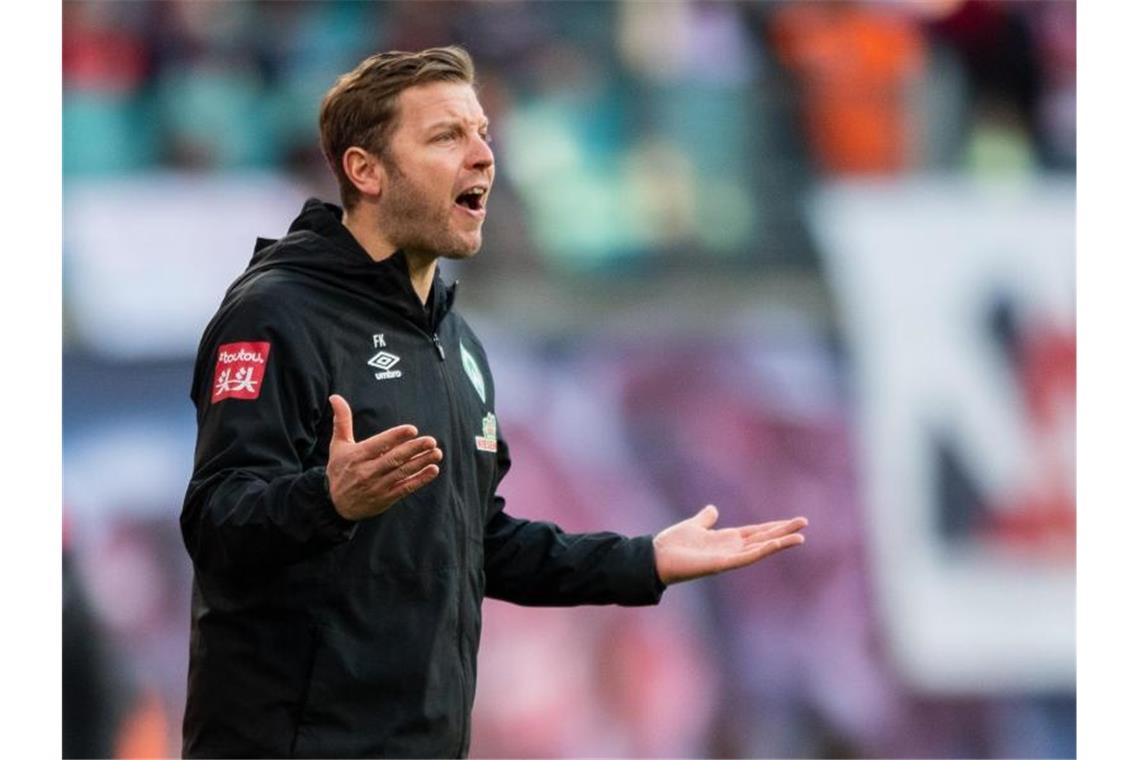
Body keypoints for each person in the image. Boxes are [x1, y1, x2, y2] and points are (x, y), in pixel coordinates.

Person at [180, 46, 808, 759]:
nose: (483, 156)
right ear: (366, 171)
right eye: (447, 136)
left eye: (482, 132)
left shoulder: (456, 340)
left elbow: (484, 544)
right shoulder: (275, 317)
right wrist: (328, 500)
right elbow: (215, 525)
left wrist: (645, 561)